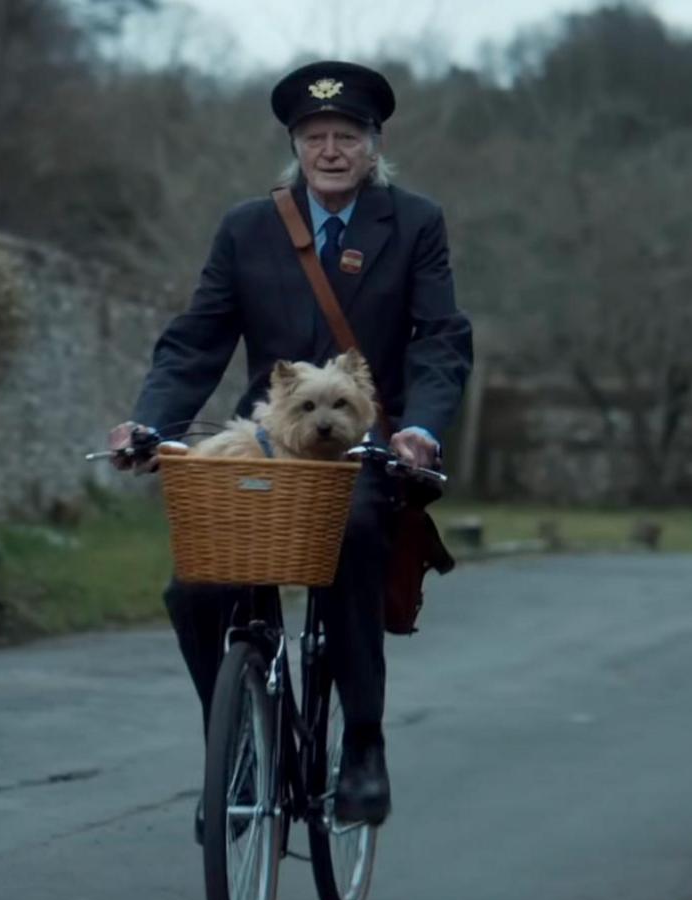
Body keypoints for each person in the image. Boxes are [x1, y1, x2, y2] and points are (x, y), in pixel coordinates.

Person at [108, 59, 473, 836]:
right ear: (296, 146)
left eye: (347, 135)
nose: (331, 149)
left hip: (366, 450)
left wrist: (422, 427)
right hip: (269, 449)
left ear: (373, 145)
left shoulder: (414, 223)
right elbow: (196, 339)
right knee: (196, 588)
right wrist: (151, 422)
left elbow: (440, 339)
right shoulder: (248, 228)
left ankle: (364, 747)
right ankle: (237, 745)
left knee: (353, 544)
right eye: (316, 136)